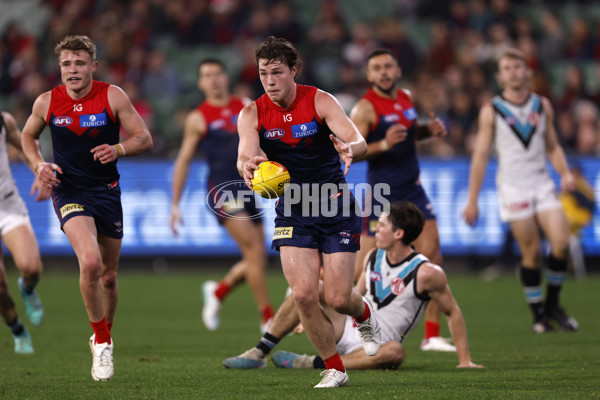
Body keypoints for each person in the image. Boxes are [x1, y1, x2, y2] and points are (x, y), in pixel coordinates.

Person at [236, 36, 380, 388]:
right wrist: (248, 164)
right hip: (293, 209)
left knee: (337, 296)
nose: (269, 81)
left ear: (293, 71)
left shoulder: (320, 101)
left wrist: (351, 149)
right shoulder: (252, 112)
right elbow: (246, 152)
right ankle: (335, 369)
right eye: (263, 73)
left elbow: (357, 140)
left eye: (276, 73)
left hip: (335, 205)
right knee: (302, 293)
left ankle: (364, 315)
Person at [21, 35, 153, 380]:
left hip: (107, 192)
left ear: (93, 66)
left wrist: (119, 149)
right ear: (59, 68)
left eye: (80, 63)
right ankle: (104, 343)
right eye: (67, 64)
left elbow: (144, 137)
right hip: (69, 191)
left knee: (109, 277)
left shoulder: (112, 95)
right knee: (91, 263)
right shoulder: (47, 101)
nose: (73, 70)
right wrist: (38, 165)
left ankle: (102, 334)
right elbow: (27, 136)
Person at [223, 201, 483, 370]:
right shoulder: (373, 256)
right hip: (349, 327)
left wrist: (465, 361)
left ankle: (310, 363)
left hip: (379, 345)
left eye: (381, 226)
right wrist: (309, 313)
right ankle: (260, 350)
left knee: (395, 352)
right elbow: (355, 295)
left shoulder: (427, 272)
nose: (375, 230)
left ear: (399, 234)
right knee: (310, 289)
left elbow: (453, 311)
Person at [463, 48, 578, 333]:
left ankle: (552, 306)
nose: (514, 72)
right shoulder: (492, 110)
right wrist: (472, 200)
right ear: (500, 76)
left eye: (518, 67)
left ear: (527, 72)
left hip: (542, 184)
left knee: (561, 242)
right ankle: (539, 315)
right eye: (508, 68)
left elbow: (552, 145)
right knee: (532, 254)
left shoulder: (542, 105)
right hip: (513, 188)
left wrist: (564, 172)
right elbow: (480, 156)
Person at [349, 48, 455, 352]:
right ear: (369, 75)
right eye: (377, 68)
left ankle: (432, 335)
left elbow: (409, 135)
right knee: (362, 268)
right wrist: (383, 142)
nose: (383, 72)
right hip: (381, 191)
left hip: (412, 188)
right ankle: (342, 317)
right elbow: (353, 152)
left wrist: (426, 131)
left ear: (397, 70)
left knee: (433, 256)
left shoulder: (406, 98)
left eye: (388, 66)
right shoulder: (365, 108)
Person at [170, 58, 274, 333]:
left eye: (217, 73)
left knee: (257, 257)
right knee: (253, 248)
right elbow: (183, 160)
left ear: (226, 77)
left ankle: (219, 291)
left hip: (249, 185)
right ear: (200, 83)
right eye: (207, 75)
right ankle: (267, 316)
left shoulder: (245, 106)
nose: (214, 79)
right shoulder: (198, 117)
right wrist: (174, 204)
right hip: (222, 189)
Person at [0, 111, 49, 354]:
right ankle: (18, 330)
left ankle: (27, 288)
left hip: (6, 205)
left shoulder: (3, 121)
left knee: (32, 268)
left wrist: (39, 173)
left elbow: (25, 145)